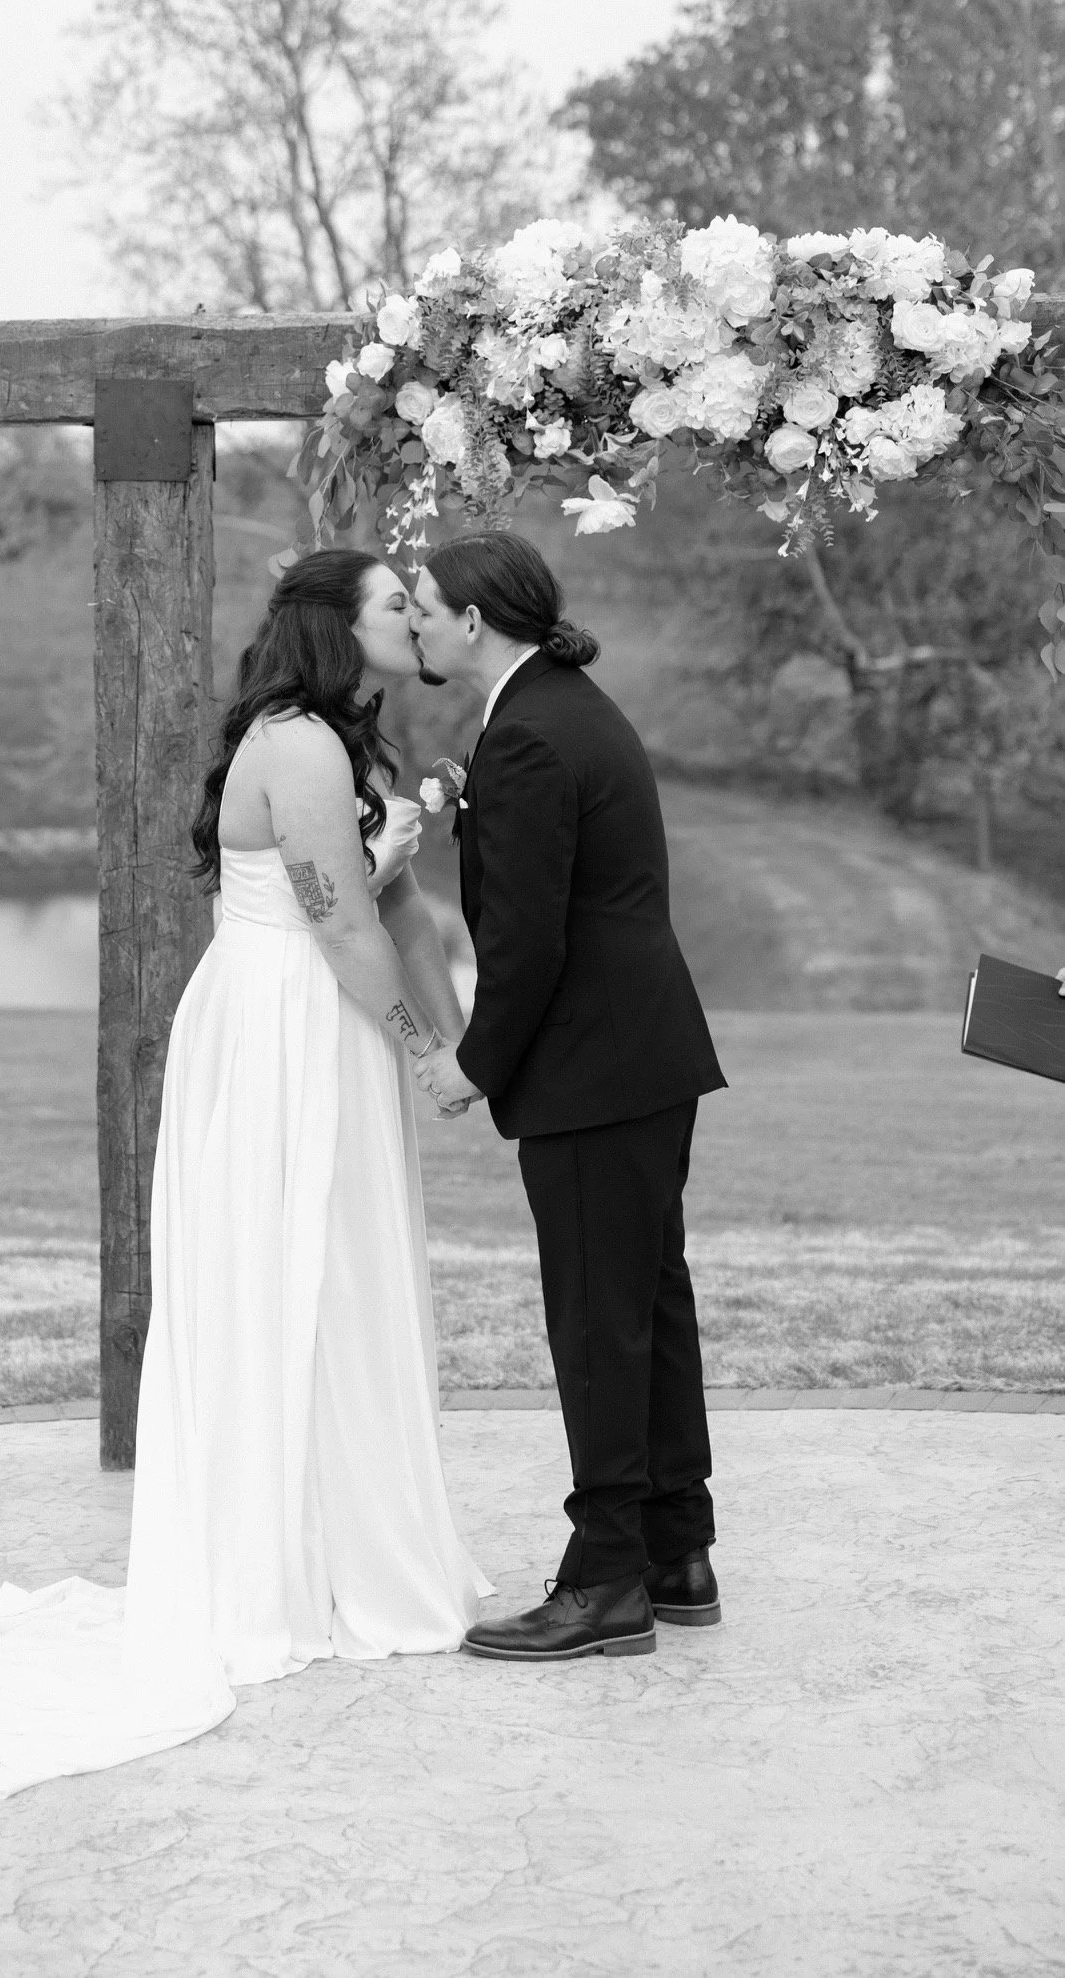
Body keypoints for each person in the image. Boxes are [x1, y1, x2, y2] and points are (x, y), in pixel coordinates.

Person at [0, 549, 491, 1797]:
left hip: (309, 1009)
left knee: (328, 1276)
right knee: (291, 1268)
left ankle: (331, 1543)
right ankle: (280, 1573)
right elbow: (336, 922)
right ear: (337, 627)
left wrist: (438, 1006)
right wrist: (424, 1054)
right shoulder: (304, 749)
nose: (413, 616)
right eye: (395, 603)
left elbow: (387, 907)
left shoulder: (338, 741)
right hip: (289, 1022)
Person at [410, 531, 728, 1661]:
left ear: (478, 622)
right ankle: (674, 1550)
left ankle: (604, 1584)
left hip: (594, 1067)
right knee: (643, 1303)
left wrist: (471, 1062)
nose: (413, 627)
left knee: (597, 1320)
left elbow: (528, 943)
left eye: (423, 610)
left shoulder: (536, 733)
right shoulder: (557, 707)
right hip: (641, 1056)